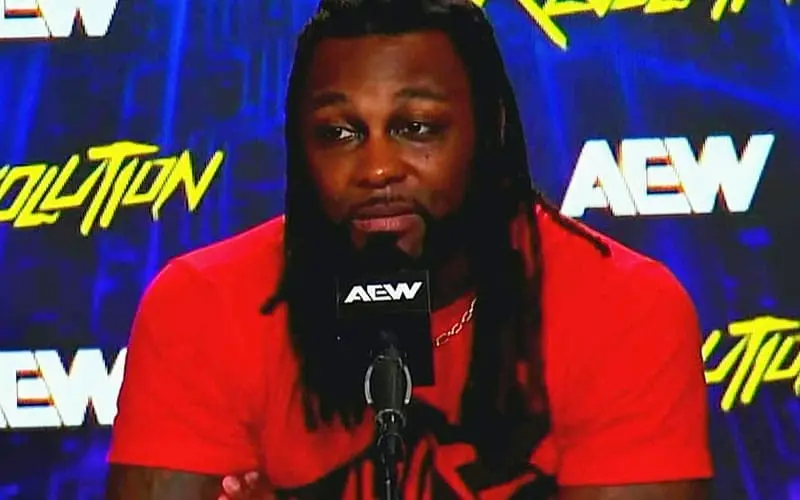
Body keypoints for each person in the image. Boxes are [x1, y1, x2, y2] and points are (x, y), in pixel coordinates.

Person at [105, 0, 714, 498]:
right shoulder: (204, 305)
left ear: (491, 129)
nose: (377, 169)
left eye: (416, 127)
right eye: (339, 133)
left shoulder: (624, 309)